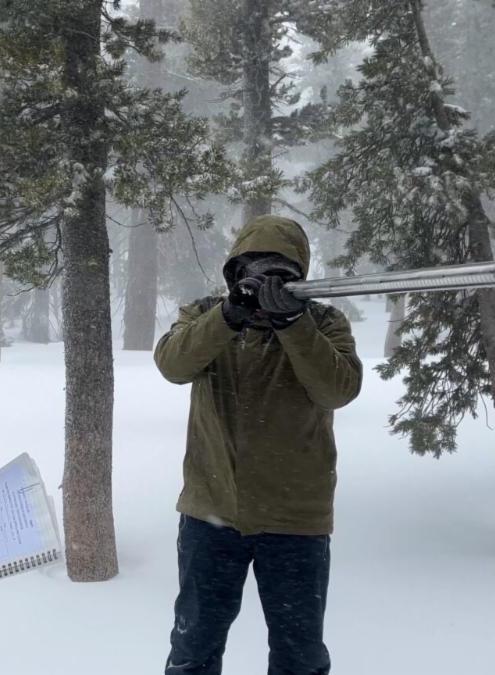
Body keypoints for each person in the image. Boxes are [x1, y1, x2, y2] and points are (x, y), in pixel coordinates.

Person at [154, 215, 363, 675]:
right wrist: (228, 316)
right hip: (210, 512)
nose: (264, 280)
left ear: (299, 274)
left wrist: (293, 323)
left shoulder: (324, 322)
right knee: (193, 650)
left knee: (299, 656)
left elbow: (338, 390)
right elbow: (172, 364)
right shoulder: (206, 312)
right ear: (235, 271)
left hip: (295, 520)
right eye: (253, 269)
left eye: (279, 272)